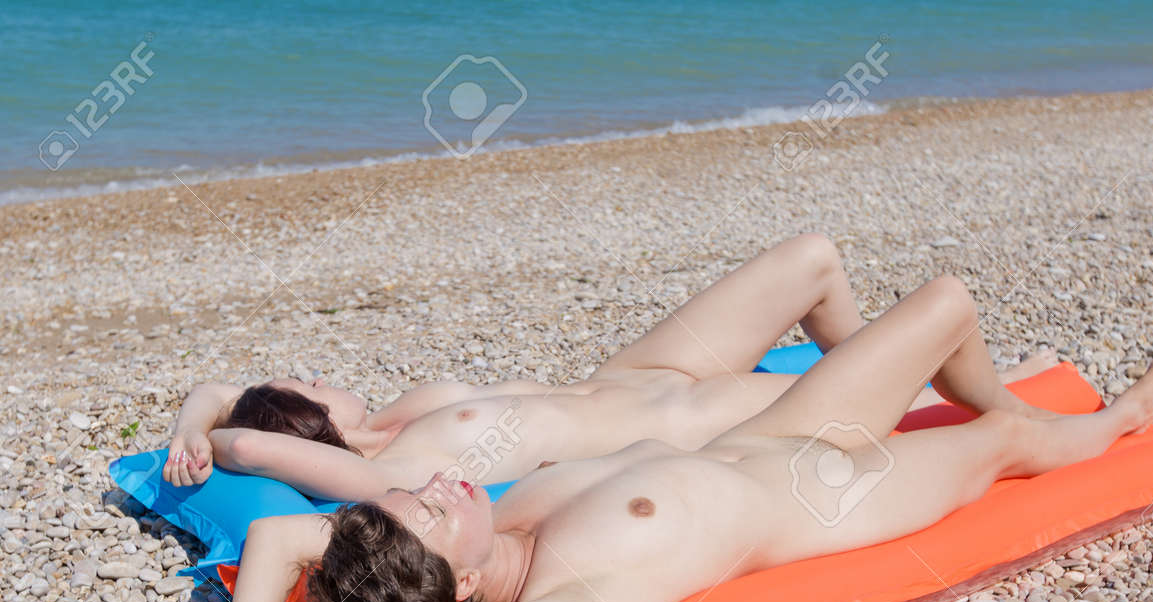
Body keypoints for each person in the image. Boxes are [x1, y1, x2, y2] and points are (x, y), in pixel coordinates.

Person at [149, 273, 1153, 602]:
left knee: (948, 304)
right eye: (432, 512)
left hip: (787, 427)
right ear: (456, 591)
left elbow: (286, 540)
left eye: (418, 494)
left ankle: (1022, 402)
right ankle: (1115, 423)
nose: (445, 487)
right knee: (1002, 451)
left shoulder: (500, 521)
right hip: (840, 495)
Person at [162, 234, 1052, 499]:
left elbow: (213, 392)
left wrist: (188, 417)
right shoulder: (382, 470)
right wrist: (210, 439)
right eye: (307, 382)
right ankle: (1002, 400)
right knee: (945, 309)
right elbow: (247, 446)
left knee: (815, 259)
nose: (319, 373)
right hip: (697, 421)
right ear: (303, 419)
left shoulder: (396, 414)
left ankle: (898, 372)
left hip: (636, 373)